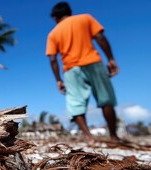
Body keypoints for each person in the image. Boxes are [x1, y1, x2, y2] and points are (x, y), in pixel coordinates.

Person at [46, 2, 120, 143]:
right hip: (93, 62)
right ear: (69, 12)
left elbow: (53, 59)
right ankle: (113, 136)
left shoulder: (53, 33)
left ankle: (88, 136)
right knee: (106, 100)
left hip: (71, 69)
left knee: (75, 104)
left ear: (56, 17)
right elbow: (100, 38)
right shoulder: (85, 18)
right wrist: (111, 59)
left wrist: (58, 79)